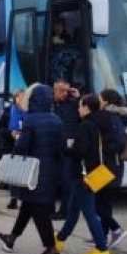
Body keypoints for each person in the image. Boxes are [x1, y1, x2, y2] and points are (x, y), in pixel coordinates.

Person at [0, 84, 63, 254]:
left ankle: (51, 249)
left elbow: (21, 148)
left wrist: (18, 140)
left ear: (33, 100)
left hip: (32, 173)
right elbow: (61, 149)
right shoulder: (57, 120)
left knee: (39, 211)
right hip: (50, 172)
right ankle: (11, 238)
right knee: (28, 205)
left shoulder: (31, 120)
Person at [54, 94, 115, 254]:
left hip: (84, 175)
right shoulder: (97, 124)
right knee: (74, 211)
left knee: (89, 213)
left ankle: (102, 249)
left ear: (87, 107)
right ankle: (60, 239)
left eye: (80, 106)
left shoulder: (86, 125)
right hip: (90, 174)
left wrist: (65, 149)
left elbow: (80, 151)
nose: (78, 109)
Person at [97, 89, 127, 248]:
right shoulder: (115, 117)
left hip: (108, 166)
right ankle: (101, 235)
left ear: (106, 101)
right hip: (110, 166)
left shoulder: (110, 118)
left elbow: (118, 142)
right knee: (103, 202)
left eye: (100, 98)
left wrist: (102, 148)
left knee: (98, 203)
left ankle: (116, 230)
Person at [52, 80, 81, 220]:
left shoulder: (74, 104)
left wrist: (78, 98)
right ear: (54, 90)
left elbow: (87, 115)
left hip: (68, 149)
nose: (64, 94)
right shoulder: (49, 104)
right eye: (61, 90)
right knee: (52, 179)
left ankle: (64, 211)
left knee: (66, 181)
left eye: (67, 91)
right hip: (52, 147)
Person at [50, 18, 81, 85]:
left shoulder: (67, 37)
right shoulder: (49, 36)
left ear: (63, 27)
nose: (58, 28)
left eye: (60, 26)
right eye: (56, 26)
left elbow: (67, 47)